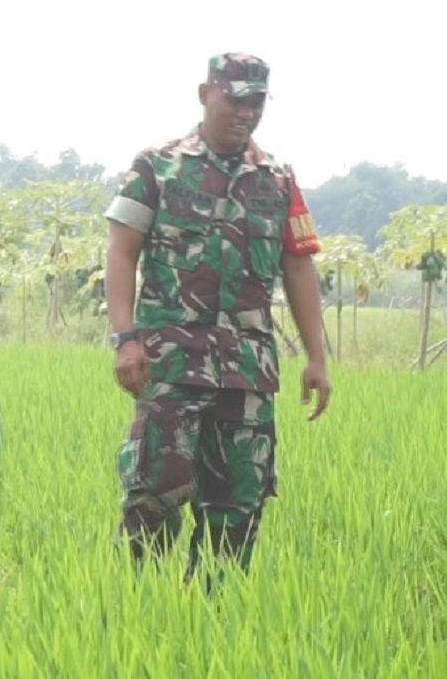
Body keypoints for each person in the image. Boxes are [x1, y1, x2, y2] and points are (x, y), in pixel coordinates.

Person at [103, 52, 332, 583]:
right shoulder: (157, 166)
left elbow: (299, 269)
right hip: (170, 363)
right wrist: (125, 337)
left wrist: (317, 357)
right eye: (235, 98)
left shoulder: (277, 180)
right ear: (206, 94)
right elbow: (121, 252)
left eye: (256, 101)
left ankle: (212, 616)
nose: (245, 111)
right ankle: (141, 606)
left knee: (239, 502)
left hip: (248, 369)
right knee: (155, 491)